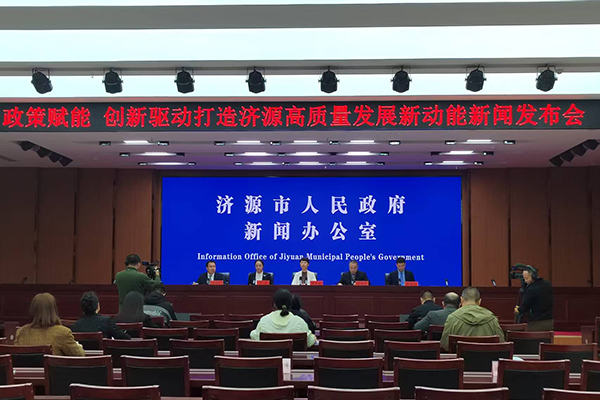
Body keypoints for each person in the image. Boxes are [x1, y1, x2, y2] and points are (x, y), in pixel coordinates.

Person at [15, 293, 85, 356]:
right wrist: (79, 346)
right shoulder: (63, 333)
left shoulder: (21, 332)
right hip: (54, 367)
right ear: (53, 310)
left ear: (33, 310)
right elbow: (79, 355)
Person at [441, 287, 505, 352]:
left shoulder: (452, 318)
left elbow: (445, 346)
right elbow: (501, 345)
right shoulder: (492, 319)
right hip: (487, 358)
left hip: (461, 358)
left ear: (461, 300)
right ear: (479, 301)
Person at [250, 289, 317, 347]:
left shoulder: (264, 321)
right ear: (290, 304)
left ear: (274, 304)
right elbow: (310, 341)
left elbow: (254, 336)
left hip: (268, 358)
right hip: (293, 358)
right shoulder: (299, 322)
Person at [514, 266, 553, 331]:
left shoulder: (531, 289)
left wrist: (518, 310)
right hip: (549, 322)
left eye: (526, 278)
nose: (525, 281)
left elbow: (525, 306)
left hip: (536, 323)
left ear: (533, 276)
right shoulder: (548, 285)